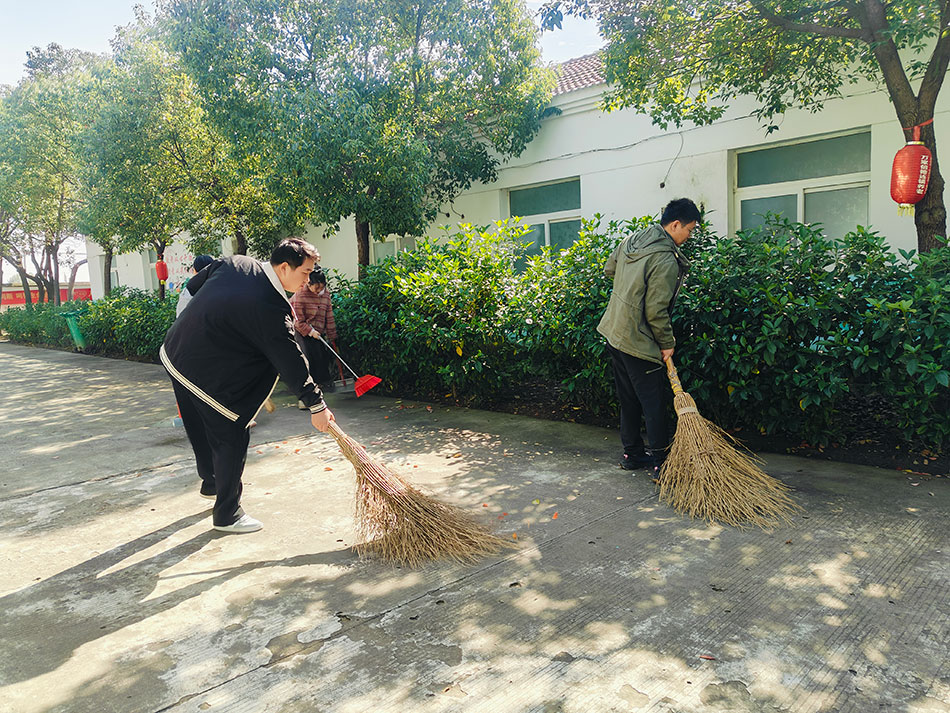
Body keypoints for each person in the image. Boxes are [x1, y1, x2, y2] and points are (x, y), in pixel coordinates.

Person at [161, 238, 335, 534]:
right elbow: (290, 360)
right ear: (284, 267)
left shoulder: (236, 263)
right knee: (231, 435)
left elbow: (194, 285)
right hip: (205, 370)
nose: (307, 281)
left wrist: (198, 320)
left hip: (175, 353)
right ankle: (227, 514)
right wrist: (316, 404)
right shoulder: (270, 306)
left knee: (198, 425)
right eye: (305, 272)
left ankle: (211, 483)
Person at [597, 198, 701, 476]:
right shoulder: (665, 259)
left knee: (629, 399)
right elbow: (656, 311)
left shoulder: (633, 240)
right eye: (689, 230)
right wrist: (667, 344)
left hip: (614, 332)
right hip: (637, 340)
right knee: (653, 403)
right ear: (675, 224)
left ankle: (632, 455)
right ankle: (660, 464)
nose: (689, 236)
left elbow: (609, 269)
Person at [290, 267, 338, 401]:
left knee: (320, 356)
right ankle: (306, 392)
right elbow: (298, 321)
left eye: (321, 288)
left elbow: (329, 314)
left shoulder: (325, 294)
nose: (318, 291)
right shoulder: (300, 295)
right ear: (308, 283)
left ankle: (320, 386)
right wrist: (310, 331)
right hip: (300, 330)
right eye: (316, 288)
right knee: (306, 358)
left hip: (318, 329)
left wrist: (332, 334)